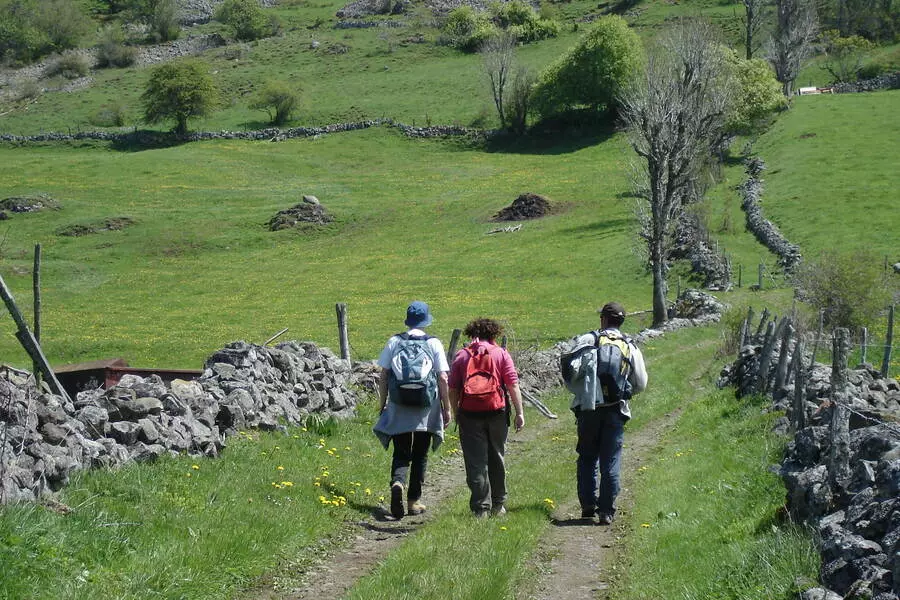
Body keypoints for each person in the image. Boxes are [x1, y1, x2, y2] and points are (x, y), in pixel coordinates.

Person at [570, 302, 647, 525]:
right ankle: (606, 511)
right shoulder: (629, 346)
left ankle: (587, 505)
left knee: (587, 457)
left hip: (588, 409)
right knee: (610, 460)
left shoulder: (588, 340)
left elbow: (570, 372)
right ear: (621, 322)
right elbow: (641, 382)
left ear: (603, 319)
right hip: (616, 410)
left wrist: (582, 393)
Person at [373, 301, 451, 520]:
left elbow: (384, 375)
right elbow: (443, 377)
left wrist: (383, 404)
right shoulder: (434, 343)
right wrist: (447, 408)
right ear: (426, 320)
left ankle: (398, 482)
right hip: (427, 407)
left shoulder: (394, 341)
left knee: (401, 451)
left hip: (399, 405)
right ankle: (413, 501)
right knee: (420, 454)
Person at [448, 318, 524, 518]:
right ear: (494, 334)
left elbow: (453, 388)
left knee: (475, 461)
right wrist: (520, 412)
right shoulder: (501, 354)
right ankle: (498, 505)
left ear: (472, 334)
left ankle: (481, 508)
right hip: (497, 412)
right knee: (497, 456)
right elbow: (512, 385)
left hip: (469, 413)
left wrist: (456, 412)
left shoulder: (462, 356)